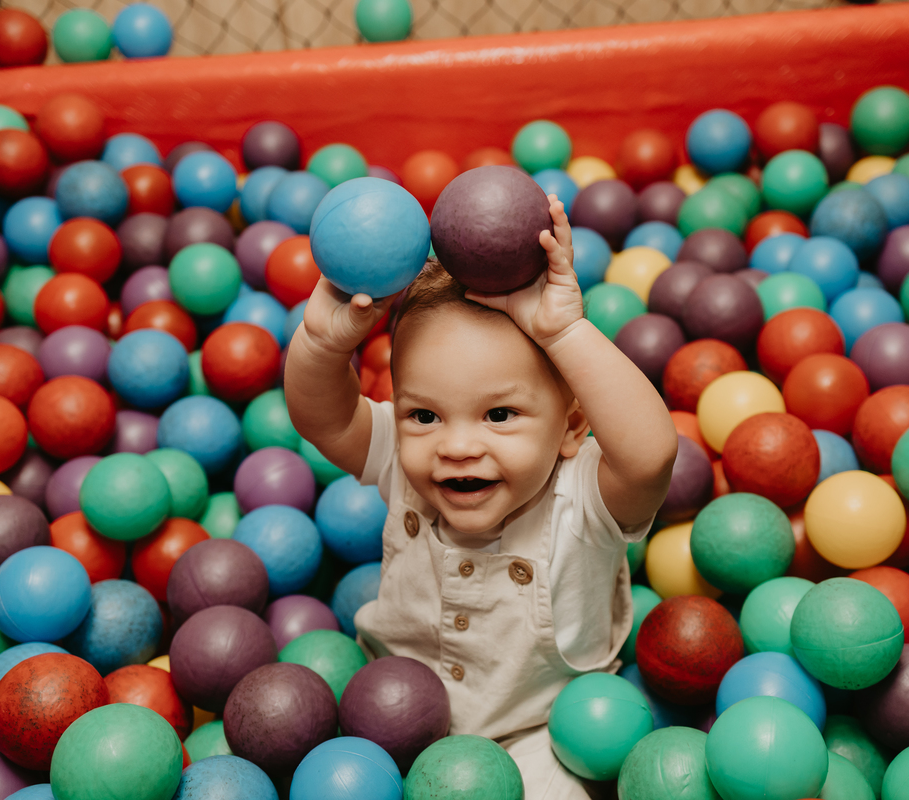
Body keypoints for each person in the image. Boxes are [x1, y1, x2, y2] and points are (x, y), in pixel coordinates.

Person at [285, 196, 677, 798]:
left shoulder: (584, 497)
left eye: (499, 414)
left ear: (572, 426)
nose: (458, 446)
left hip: (541, 732)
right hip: (386, 705)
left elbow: (650, 454)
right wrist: (321, 342)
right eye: (424, 415)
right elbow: (326, 421)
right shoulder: (403, 460)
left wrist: (564, 332)